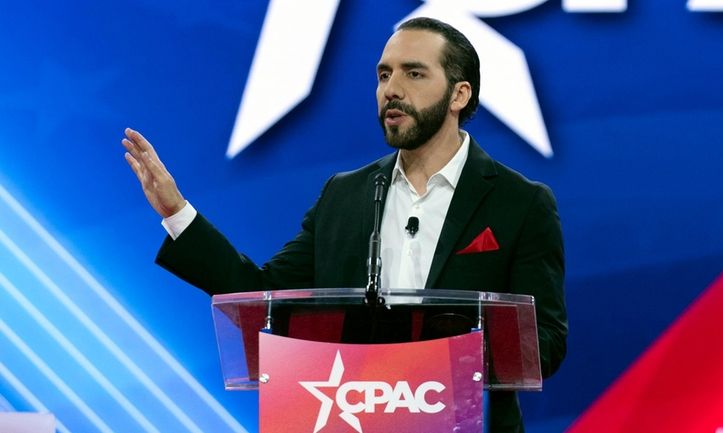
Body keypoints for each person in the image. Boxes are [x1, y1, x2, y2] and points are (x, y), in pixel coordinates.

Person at [123, 17, 567, 433]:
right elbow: (263, 294)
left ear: (459, 95)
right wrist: (177, 212)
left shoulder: (520, 203)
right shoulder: (346, 194)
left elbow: (545, 342)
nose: (391, 89)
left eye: (413, 74)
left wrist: (450, 359)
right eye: (383, 75)